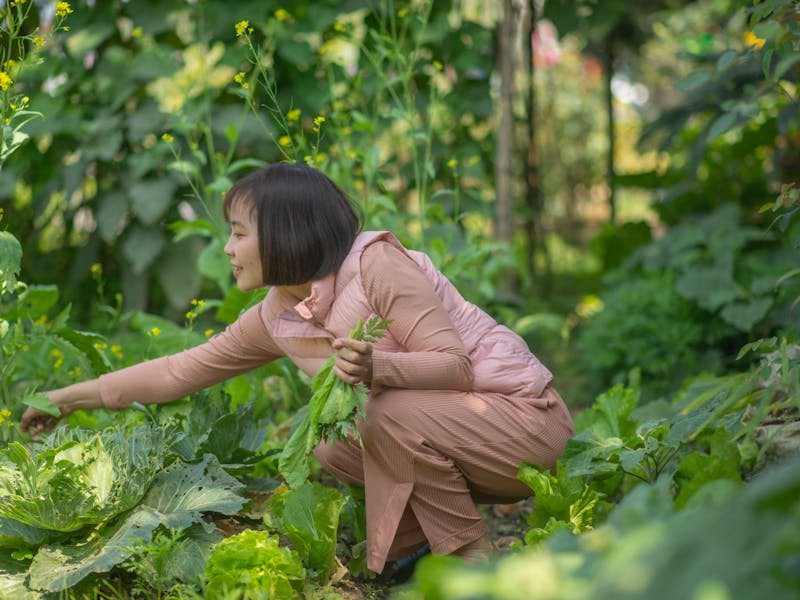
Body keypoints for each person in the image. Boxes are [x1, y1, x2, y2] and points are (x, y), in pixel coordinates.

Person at [22, 162, 575, 575]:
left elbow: (454, 367)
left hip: (523, 426)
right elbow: (178, 372)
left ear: (287, 233)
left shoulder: (377, 263)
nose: (228, 247)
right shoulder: (276, 314)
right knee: (331, 439)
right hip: (455, 438)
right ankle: (416, 549)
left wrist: (379, 366)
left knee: (383, 407)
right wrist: (64, 399)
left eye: (239, 233)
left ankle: (474, 563)